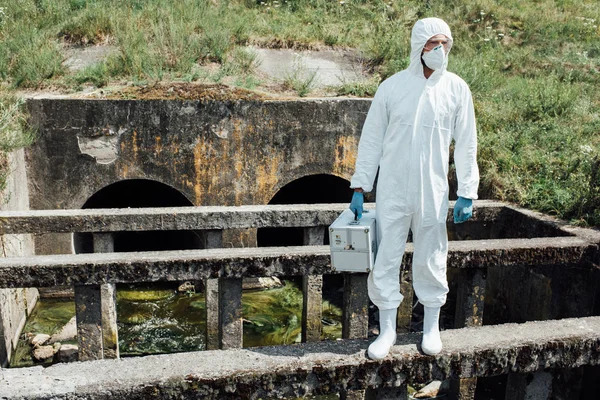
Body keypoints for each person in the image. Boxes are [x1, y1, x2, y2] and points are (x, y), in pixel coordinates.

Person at [349, 17, 479, 360]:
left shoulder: (456, 89)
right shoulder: (391, 88)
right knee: (386, 258)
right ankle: (387, 329)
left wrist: (467, 189)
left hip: (433, 190)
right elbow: (371, 140)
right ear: (418, 46)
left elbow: (466, 144)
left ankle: (430, 327)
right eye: (433, 44)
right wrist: (361, 187)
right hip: (393, 189)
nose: (440, 51)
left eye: (445, 44)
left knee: (432, 256)